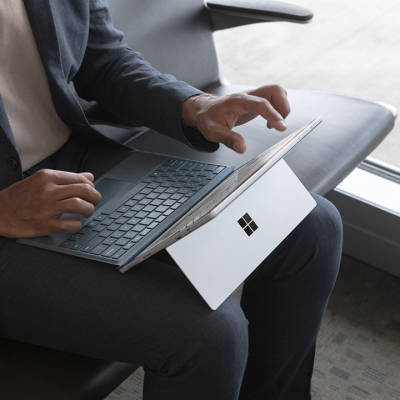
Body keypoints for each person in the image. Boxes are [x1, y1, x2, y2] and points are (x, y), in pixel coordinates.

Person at [0, 0, 342, 399]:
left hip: (77, 166)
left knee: (309, 226)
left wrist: (196, 106)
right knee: (209, 335)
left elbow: (103, 61)